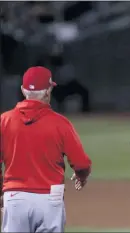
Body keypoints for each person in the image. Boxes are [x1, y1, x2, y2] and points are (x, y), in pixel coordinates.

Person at [0, 66, 92, 232]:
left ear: (22, 89)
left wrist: (2, 193)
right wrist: (81, 176)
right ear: (48, 91)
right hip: (50, 199)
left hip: (14, 198)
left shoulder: (4, 121)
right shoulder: (60, 123)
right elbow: (81, 163)